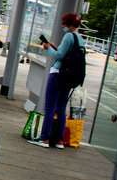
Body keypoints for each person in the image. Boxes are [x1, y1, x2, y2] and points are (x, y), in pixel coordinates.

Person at [30, 13, 84, 149]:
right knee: (61, 108)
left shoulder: (68, 36)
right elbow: (68, 55)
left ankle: (45, 139)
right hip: (69, 76)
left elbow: (60, 56)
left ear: (70, 24)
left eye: (64, 23)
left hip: (58, 74)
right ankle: (59, 140)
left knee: (49, 107)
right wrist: (55, 47)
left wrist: (48, 49)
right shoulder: (79, 38)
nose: (62, 26)